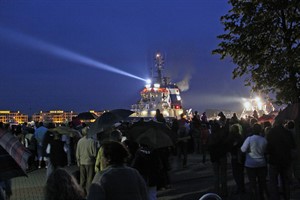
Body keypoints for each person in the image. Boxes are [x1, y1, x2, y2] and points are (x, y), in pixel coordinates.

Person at [266, 119, 296, 200]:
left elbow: (268, 146)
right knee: (285, 181)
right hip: (286, 160)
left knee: (273, 182)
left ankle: (275, 197)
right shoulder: (288, 133)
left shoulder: (271, 133)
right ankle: (287, 197)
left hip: (274, 161)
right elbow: (293, 146)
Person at [241, 123, 268, 200]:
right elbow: (266, 151)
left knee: (252, 183)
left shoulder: (249, 139)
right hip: (261, 163)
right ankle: (262, 196)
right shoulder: (264, 140)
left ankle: (254, 197)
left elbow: (242, 150)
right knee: (261, 182)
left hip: (250, 164)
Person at [76, 127, 97, 195]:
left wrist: (78, 162)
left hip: (82, 162)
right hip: (90, 162)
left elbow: (77, 153)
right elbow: (94, 153)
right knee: (89, 179)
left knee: (82, 179)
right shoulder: (92, 141)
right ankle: (89, 193)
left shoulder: (80, 141)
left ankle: (81, 192)